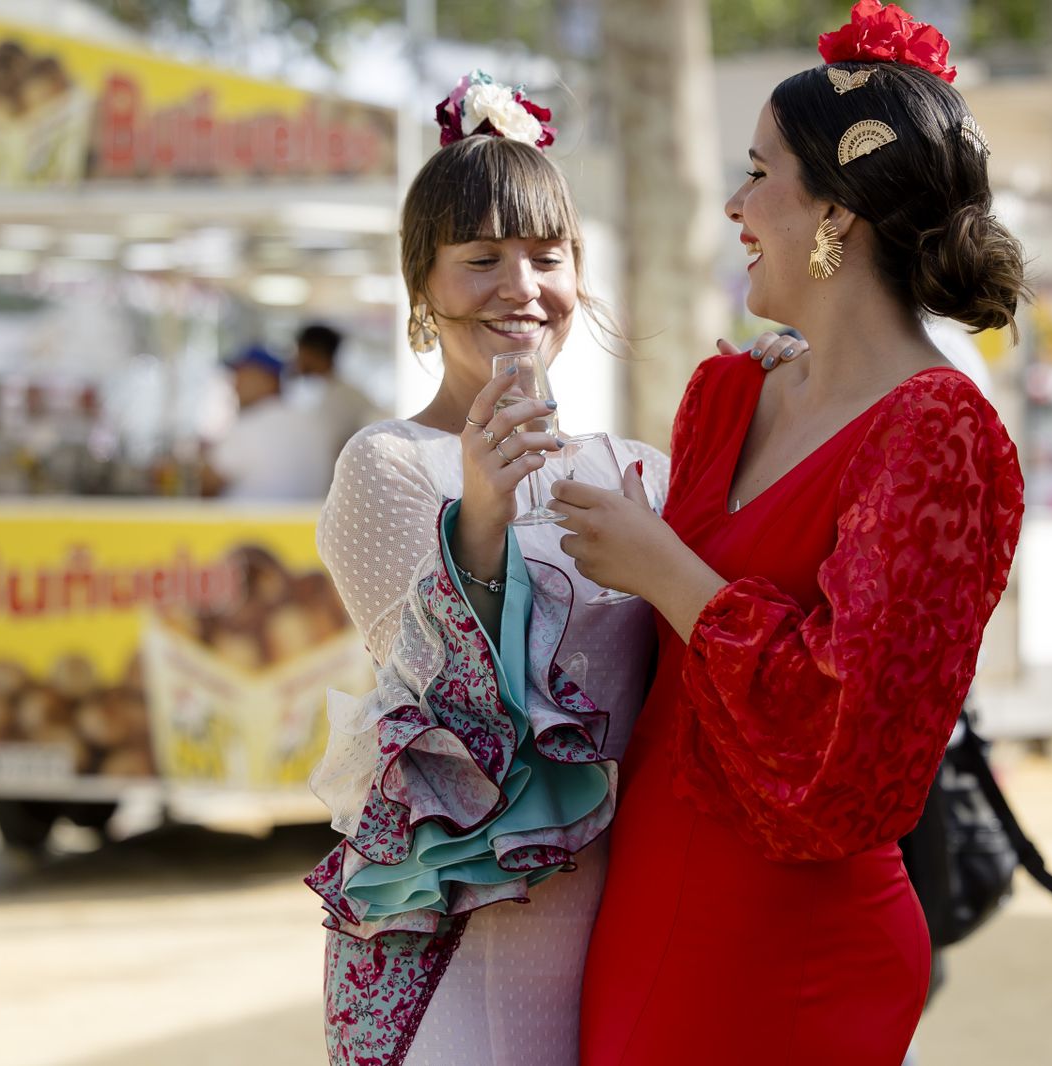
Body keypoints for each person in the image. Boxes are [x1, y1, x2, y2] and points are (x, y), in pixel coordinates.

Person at [303, 71, 806, 1066]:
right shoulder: (388, 465)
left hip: (632, 932)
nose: (520, 287)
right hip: (454, 940)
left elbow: (730, 632)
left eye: (547, 256)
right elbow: (444, 719)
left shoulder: (633, 473)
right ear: (422, 286)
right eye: (480, 258)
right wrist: (482, 516)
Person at [562, 6, 1026, 1063]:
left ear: (838, 213)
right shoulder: (728, 396)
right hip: (644, 896)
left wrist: (661, 568)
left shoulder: (940, 433)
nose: (734, 203)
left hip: (791, 940)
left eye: (757, 173)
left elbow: (843, 751)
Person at [202, 344, 333, 500]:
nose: (235, 386)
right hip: (305, 523)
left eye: (242, 375)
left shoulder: (251, 426)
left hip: (248, 523)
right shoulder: (314, 424)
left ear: (268, 380)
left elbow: (206, 483)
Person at [291, 321, 380, 461]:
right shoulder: (299, 389)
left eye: (298, 351)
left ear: (312, 353)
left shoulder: (349, 397)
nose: (295, 359)